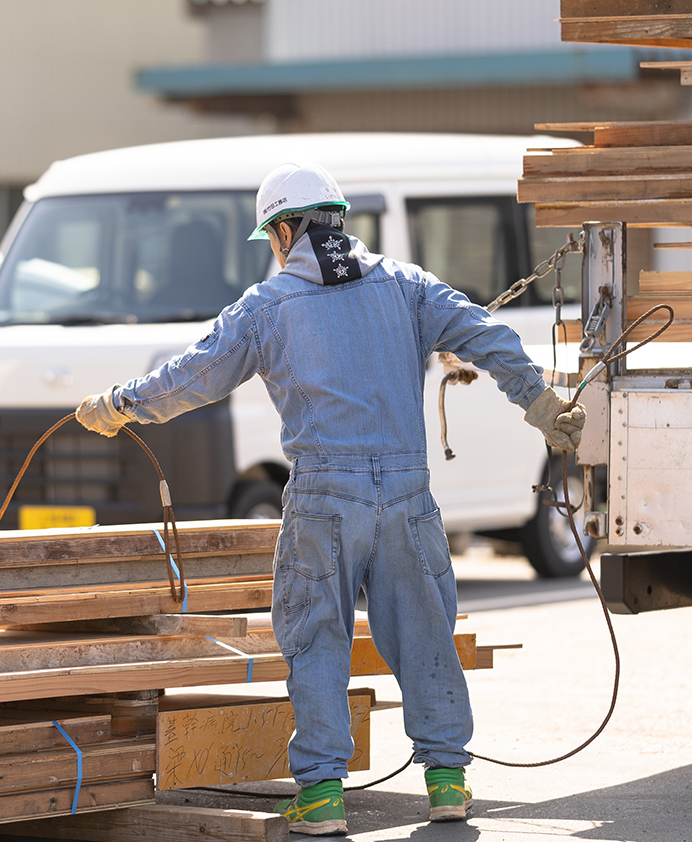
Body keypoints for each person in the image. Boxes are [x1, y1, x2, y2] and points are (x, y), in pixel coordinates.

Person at [75, 161, 584, 835]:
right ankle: (447, 783)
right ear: (337, 220)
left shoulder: (268, 306)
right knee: (427, 633)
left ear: (286, 229)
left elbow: (192, 376)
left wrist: (119, 404)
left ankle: (320, 799)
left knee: (317, 641)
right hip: (407, 495)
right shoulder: (406, 286)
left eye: (274, 237)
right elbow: (488, 336)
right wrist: (541, 404)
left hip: (323, 499)